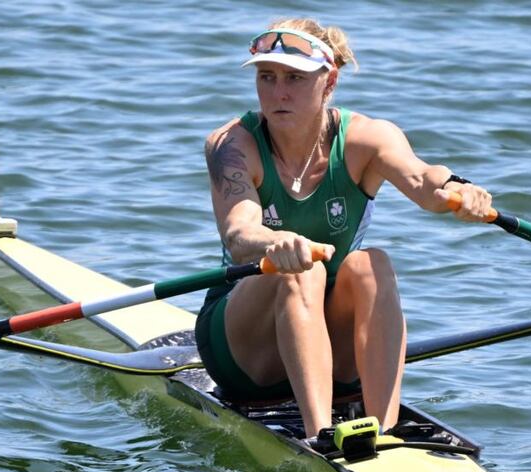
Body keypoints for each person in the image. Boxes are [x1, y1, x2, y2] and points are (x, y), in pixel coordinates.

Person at [196, 18, 493, 440]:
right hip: (244, 352)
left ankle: (385, 432)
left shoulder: (368, 139)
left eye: (294, 79)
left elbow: (425, 181)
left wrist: (458, 192)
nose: (277, 93)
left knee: (372, 265)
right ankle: (324, 439)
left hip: (330, 343)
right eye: (267, 77)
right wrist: (276, 242)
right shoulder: (232, 145)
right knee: (303, 269)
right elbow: (239, 233)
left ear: (329, 81)